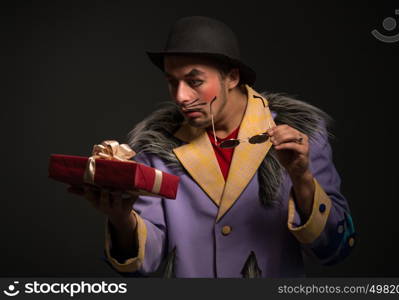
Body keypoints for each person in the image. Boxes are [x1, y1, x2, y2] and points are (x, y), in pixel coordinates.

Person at [81, 16, 356, 278]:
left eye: (195, 81)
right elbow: (144, 262)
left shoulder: (299, 136)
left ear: (232, 78)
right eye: (171, 82)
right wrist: (121, 220)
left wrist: (302, 179)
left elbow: (334, 250)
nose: (181, 96)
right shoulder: (156, 148)